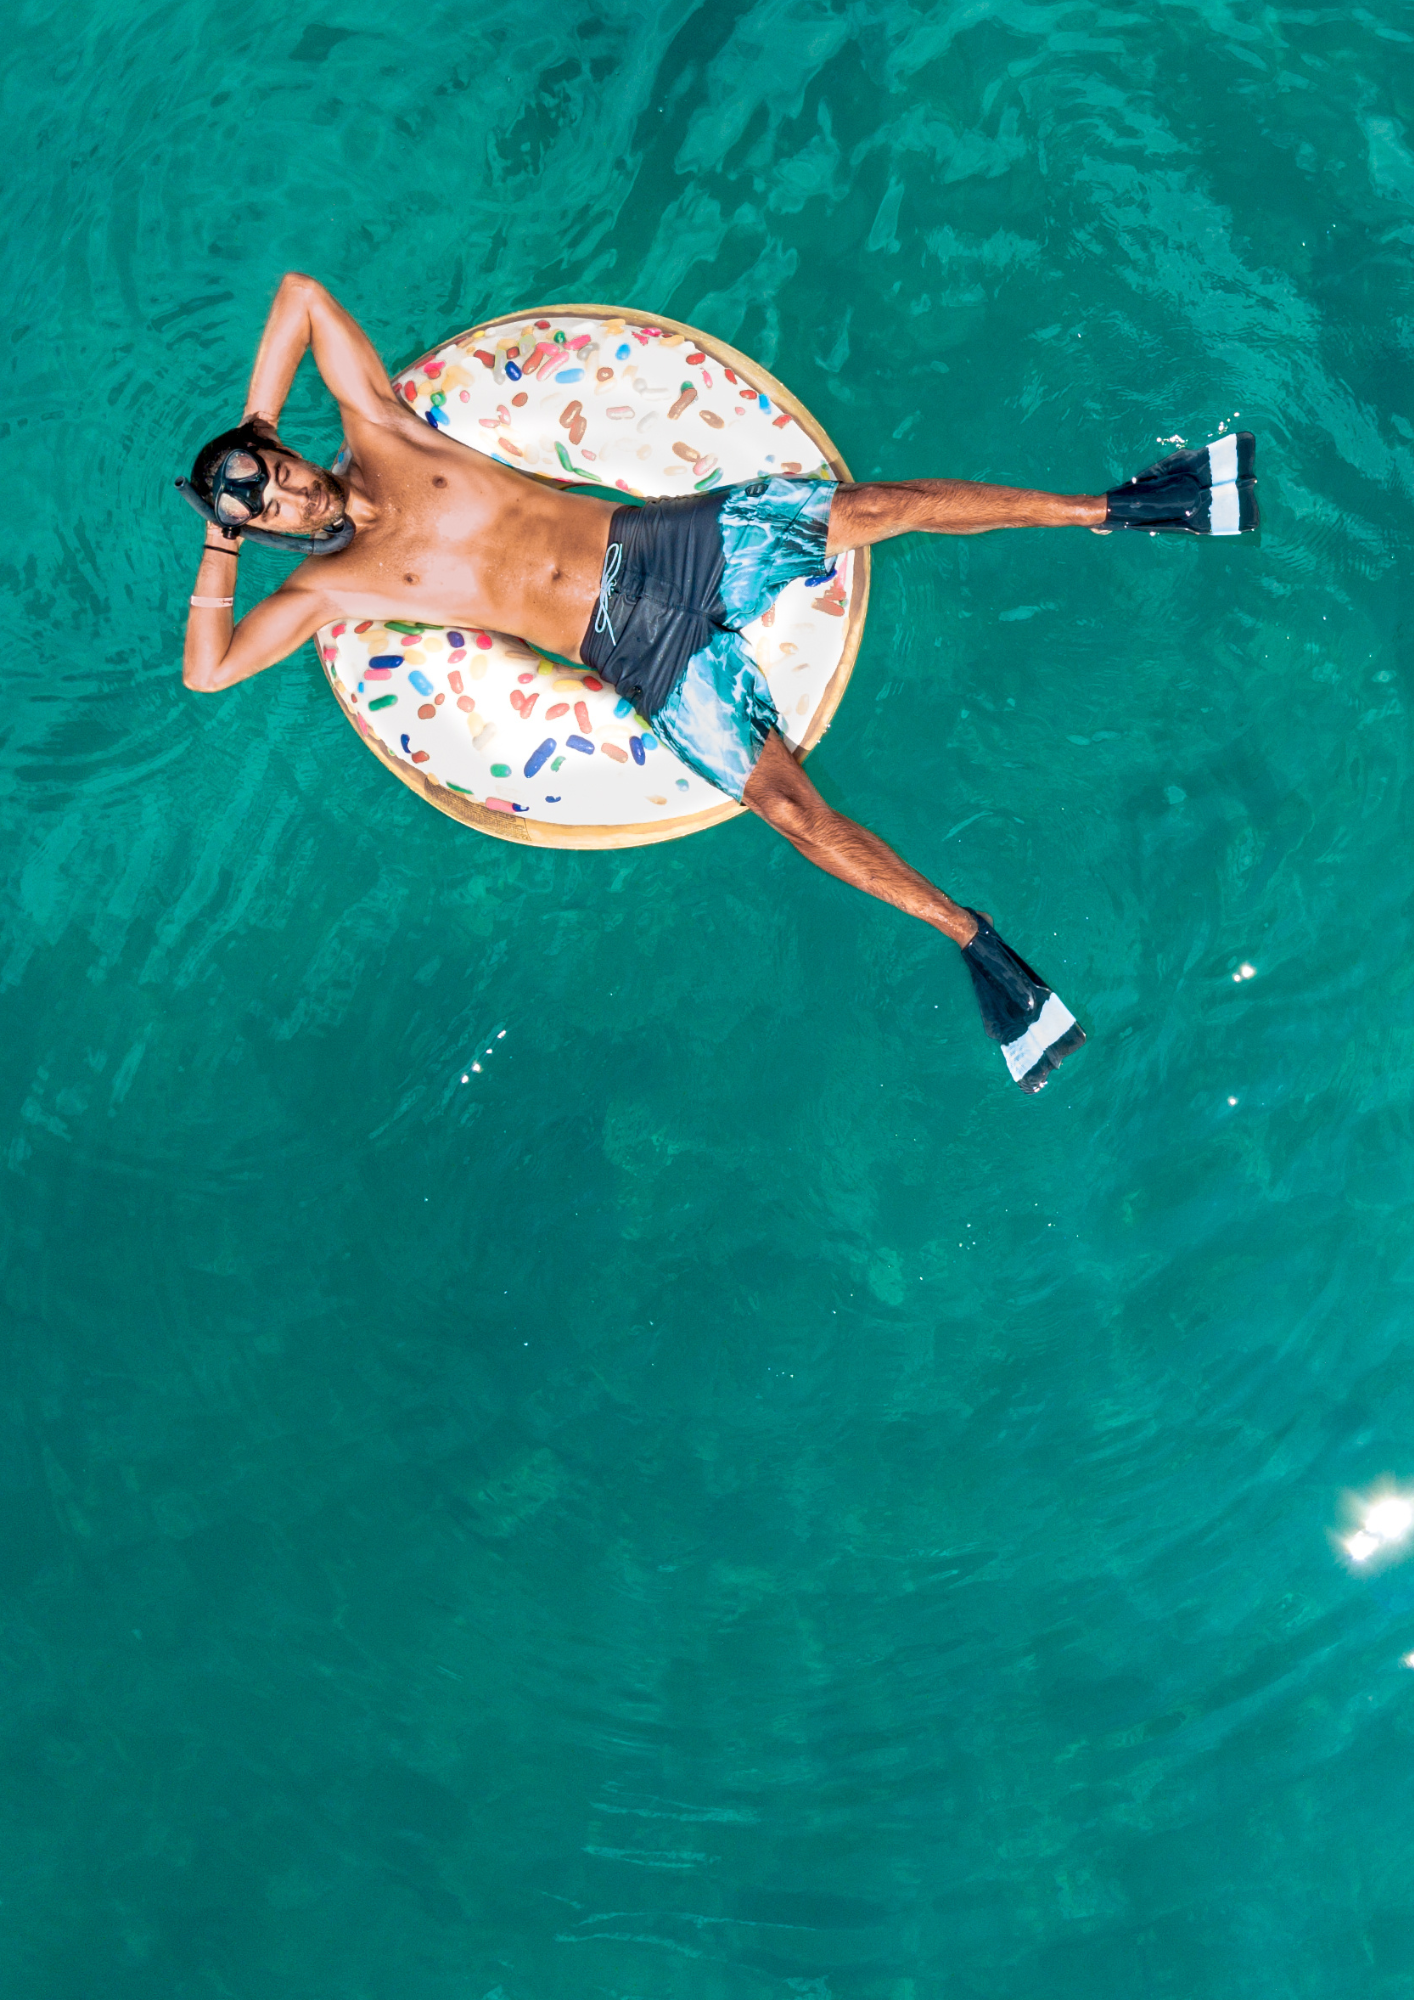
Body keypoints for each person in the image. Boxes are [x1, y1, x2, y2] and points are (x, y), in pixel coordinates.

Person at [178, 273, 1258, 1091]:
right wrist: (219, 537)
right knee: (789, 810)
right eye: (263, 501)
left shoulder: (379, 428)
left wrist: (257, 415)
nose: (284, 489)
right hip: (637, 657)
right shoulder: (334, 591)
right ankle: (976, 944)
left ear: (287, 450)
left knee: (881, 507)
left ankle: (1124, 508)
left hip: (664, 547)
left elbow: (300, 296)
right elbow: (209, 669)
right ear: (262, 527)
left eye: (273, 468)